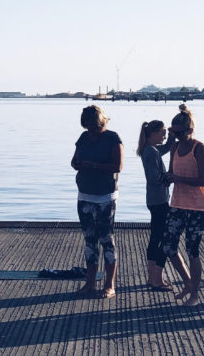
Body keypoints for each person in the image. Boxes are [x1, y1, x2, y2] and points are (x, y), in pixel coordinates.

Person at [71, 105, 123, 299]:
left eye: (93, 125)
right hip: (84, 195)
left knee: (106, 240)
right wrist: (78, 164)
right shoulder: (83, 138)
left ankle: (110, 285)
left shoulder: (112, 138)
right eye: (87, 126)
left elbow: (117, 166)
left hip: (105, 197)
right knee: (89, 240)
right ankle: (90, 283)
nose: (90, 129)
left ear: (101, 122)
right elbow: (74, 160)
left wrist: (92, 165)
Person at [162, 104, 204, 306]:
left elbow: (203, 180)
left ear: (189, 131)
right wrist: (167, 178)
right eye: (173, 133)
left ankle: (195, 295)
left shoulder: (199, 148)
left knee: (192, 249)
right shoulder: (174, 147)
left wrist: (177, 178)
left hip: (196, 206)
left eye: (179, 133)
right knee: (169, 247)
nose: (175, 136)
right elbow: (173, 172)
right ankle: (188, 282)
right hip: (177, 203)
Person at [137, 120, 173, 290]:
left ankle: (152, 277)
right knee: (162, 238)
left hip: (154, 199)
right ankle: (157, 279)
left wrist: (172, 137)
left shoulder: (150, 149)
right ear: (153, 133)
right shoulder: (151, 152)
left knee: (155, 237)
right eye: (163, 132)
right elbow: (153, 177)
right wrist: (169, 178)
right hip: (159, 200)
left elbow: (166, 148)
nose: (164, 136)